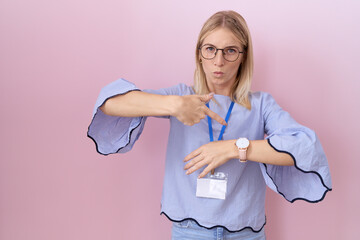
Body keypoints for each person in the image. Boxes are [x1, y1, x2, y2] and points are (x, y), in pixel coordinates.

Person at [87, 10, 332, 240]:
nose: (219, 61)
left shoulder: (260, 105)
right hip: (188, 231)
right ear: (199, 54)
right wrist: (173, 105)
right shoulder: (181, 96)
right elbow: (109, 103)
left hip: (246, 233)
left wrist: (233, 148)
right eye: (211, 49)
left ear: (243, 57)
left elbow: (305, 146)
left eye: (230, 51)